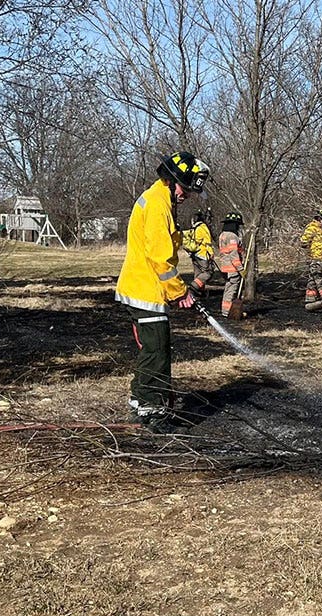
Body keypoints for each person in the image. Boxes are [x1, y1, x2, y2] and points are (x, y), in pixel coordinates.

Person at [114, 151, 210, 431]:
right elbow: (160, 258)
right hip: (146, 290)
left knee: (153, 350)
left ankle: (141, 401)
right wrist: (179, 292)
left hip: (145, 289)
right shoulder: (158, 205)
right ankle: (152, 411)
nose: (187, 196)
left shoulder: (160, 200)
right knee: (157, 352)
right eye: (186, 189)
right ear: (173, 179)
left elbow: (168, 242)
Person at [300, 208, 322, 305]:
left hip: (321, 258)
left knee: (312, 280)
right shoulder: (312, 228)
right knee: (319, 278)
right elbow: (304, 241)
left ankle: (310, 298)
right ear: (320, 218)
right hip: (315, 258)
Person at [217, 211, 245, 316]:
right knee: (232, 290)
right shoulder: (232, 237)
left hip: (225, 268)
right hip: (233, 269)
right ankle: (228, 312)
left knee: (228, 289)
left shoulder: (222, 235)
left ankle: (226, 310)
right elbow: (234, 255)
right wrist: (240, 269)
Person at [184, 208, 215, 298]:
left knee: (198, 274)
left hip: (195, 254)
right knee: (208, 273)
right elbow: (207, 242)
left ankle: (198, 293)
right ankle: (193, 288)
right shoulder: (203, 228)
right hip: (202, 254)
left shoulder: (195, 227)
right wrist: (211, 253)